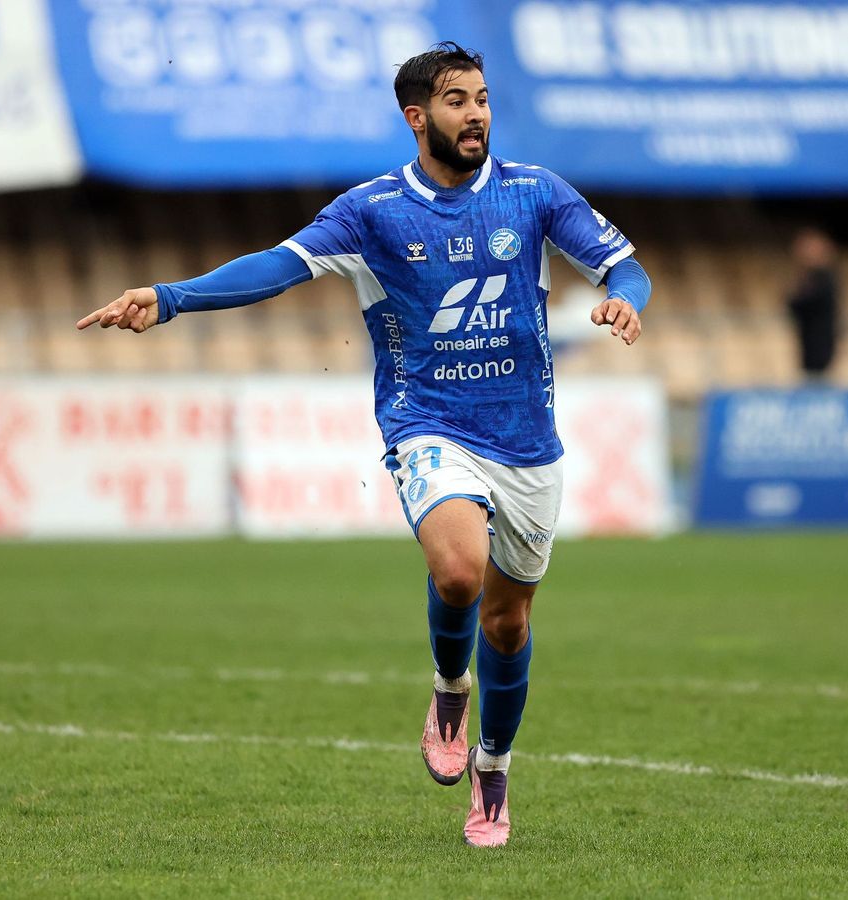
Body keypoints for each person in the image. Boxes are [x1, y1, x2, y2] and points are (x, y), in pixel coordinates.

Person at [77, 42, 652, 847]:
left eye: (483, 98)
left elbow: (624, 265)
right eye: (458, 100)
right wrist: (170, 299)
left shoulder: (533, 193)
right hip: (429, 423)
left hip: (526, 440)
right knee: (457, 571)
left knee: (510, 623)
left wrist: (625, 300)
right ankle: (451, 685)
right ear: (417, 117)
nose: (477, 113)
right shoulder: (373, 210)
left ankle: (493, 768)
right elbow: (277, 267)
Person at [786, 227, 841, 379]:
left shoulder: (825, 279)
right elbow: (793, 305)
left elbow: (803, 302)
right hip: (808, 345)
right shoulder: (810, 278)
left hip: (821, 346)